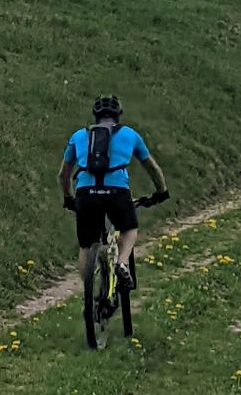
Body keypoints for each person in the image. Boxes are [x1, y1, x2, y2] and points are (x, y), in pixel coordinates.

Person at [58, 93, 169, 290]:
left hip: (85, 193)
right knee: (129, 229)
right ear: (118, 115)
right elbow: (153, 168)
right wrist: (161, 191)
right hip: (117, 193)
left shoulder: (78, 136)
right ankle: (122, 263)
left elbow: (63, 174)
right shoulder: (130, 134)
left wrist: (68, 197)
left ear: (95, 116)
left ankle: (90, 296)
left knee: (86, 244)